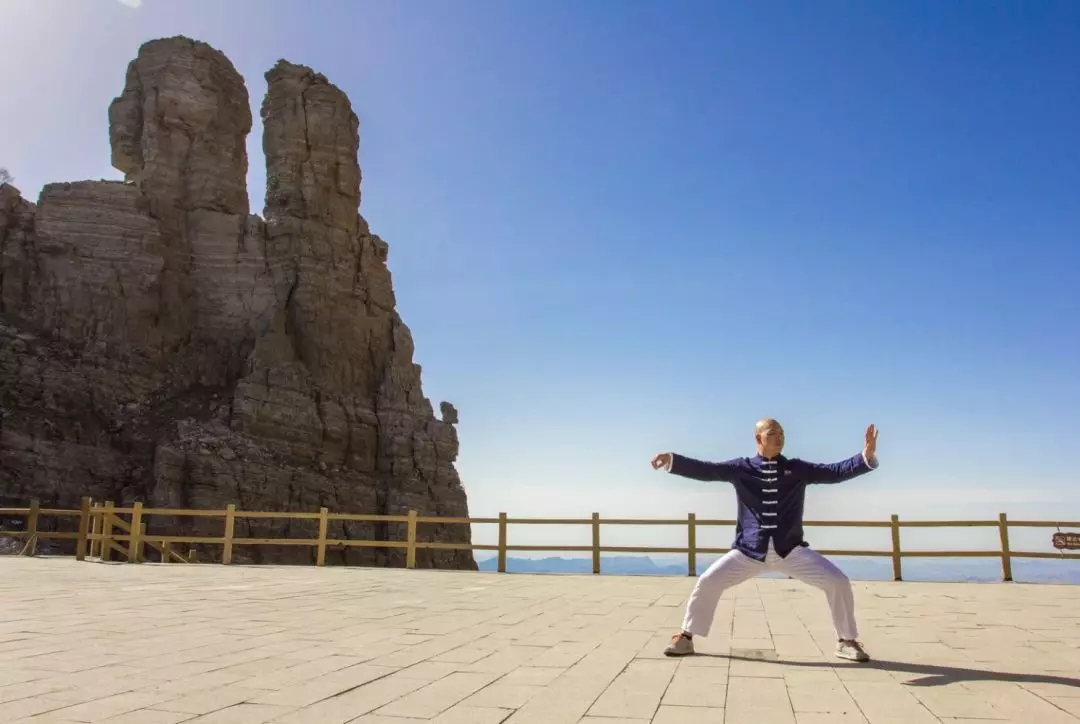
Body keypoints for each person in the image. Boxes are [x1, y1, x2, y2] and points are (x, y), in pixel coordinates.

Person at [652, 418, 879, 662]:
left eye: (782, 432)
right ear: (758, 438)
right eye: (772, 433)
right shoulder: (741, 468)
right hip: (749, 551)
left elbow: (833, 472)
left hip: (791, 551)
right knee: (708, 581)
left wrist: (864, 457)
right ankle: (685, 637)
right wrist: (672, 460)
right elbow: (707, 470)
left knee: (839, 582)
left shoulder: (797, 468)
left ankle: (847, 641)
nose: (779, 437)